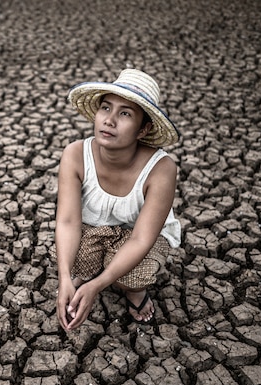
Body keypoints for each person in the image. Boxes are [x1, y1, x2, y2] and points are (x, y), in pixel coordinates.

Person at [55, 68, 182, 332]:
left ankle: (133, 292)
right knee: (66, 258)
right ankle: (88, 273)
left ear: (143, 129)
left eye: (125, 113)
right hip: (94, 230)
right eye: (105, 108)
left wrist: (96, 286)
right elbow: (67, 221)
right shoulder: (76, 154)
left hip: (137, 237)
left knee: (133, 274)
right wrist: (64, 278)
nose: (109, 120)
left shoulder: (161, 168)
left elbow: (141, 239)